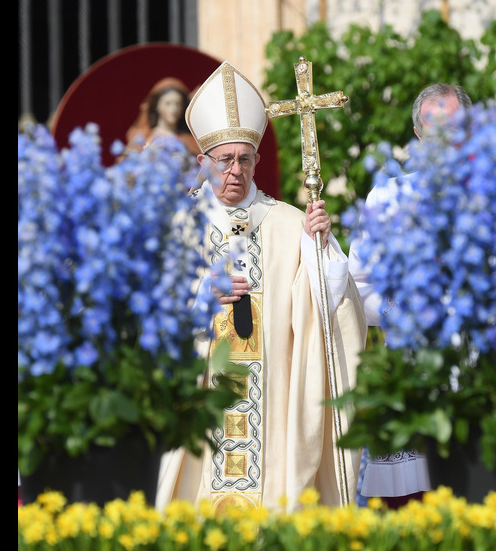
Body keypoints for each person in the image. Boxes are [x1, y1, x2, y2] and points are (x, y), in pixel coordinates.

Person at [155, 61, 368, 514]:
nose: (236, 170)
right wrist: (198, 299)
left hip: (272, 414)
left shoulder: (291, 224)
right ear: (202, 163)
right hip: (203, 399)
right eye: (225, 159)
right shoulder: (175, 227)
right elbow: (148, 310)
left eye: (245, 159)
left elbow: (329, 311)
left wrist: (320, 249)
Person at [349, 83, 473, 509]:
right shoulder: (388, 197)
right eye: (433, 126)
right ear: (418, 133)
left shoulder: (493, 195)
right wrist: (400, 311)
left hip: (478, 372)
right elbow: (358, 286)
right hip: (412, 366)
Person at [117, 77, 201, 163]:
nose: (173, 109)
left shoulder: (189, 140)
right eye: (168, 103)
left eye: (178, 104)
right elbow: (126, 164)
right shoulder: (143, 136)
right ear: (157, 106)